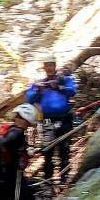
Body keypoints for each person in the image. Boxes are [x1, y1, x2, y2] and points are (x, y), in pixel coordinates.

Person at [24, 57, 77, 187]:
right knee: (47, 151)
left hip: (64, 119)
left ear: (55, 66)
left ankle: (64, 179)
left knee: (64, 149)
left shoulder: (65, 80)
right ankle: (47, 181)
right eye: (46, 65)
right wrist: (37, 90)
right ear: (44, 67)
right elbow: (29, 98)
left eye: (51, 65)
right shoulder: (39, 83)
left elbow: (72, 91)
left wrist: (59, 87)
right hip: (46, 121)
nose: (49, 68)